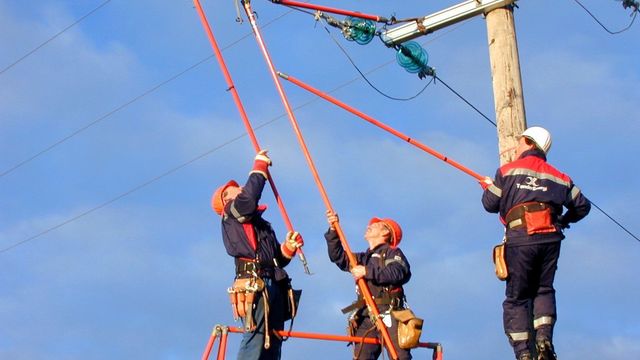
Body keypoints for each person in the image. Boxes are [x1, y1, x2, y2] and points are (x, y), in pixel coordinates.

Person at [480, 126, 591, 360]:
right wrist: (562, 220)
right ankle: (544, 339)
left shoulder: (508, 171)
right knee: (543, 288)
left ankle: (523, 353)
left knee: (517, 297)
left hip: (521, 238)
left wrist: (489, 186)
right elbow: (582, 206)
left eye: (520, 141)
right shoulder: (559, 177)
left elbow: (490, 203)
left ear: (530, 143)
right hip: (550, 237)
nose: (516, 146)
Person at [211, 150, 303, 360]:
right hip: (256, 283)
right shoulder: (232, 211)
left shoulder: (258, 224)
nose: (241, 187)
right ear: (226, 197)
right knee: (257, 336)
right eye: (235, 188)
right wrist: (259, 168)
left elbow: (275, 261)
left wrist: (288, 248)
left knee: (272, 341)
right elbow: (248, 199)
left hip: (271, 282)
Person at [324, 210, 412, 360]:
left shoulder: (392, 253)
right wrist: (333, 230)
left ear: (386, 232)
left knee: (400, 357)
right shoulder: (362, 258)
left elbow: (398, 273)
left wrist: (367, 271)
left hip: (389, 312)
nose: (369, 226)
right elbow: (337, 256)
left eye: (375, 225)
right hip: (366, 316)